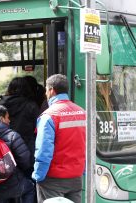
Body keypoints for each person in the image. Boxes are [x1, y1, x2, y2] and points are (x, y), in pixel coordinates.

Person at [32, 74, 86, 203]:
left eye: (46, 90)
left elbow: (44, 151)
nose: (45, 93)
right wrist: (82, 171)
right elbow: (87, 145)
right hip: (76, 177)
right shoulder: (82, 112)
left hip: (53, 180)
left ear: (52, 90)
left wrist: (38, 176)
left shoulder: (49, 116)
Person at [0, 104, 35, 203]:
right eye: (7, 117)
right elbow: (25, 161)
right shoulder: (12, 136)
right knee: (30, 188)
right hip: (12, 184)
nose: (9, 121)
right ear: (1, 118)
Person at [0, 77, 39, 176]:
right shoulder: (32, 106)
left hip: (4, 148)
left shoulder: (1, 105)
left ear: (10, 88)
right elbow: (38, 128)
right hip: (27, 148)